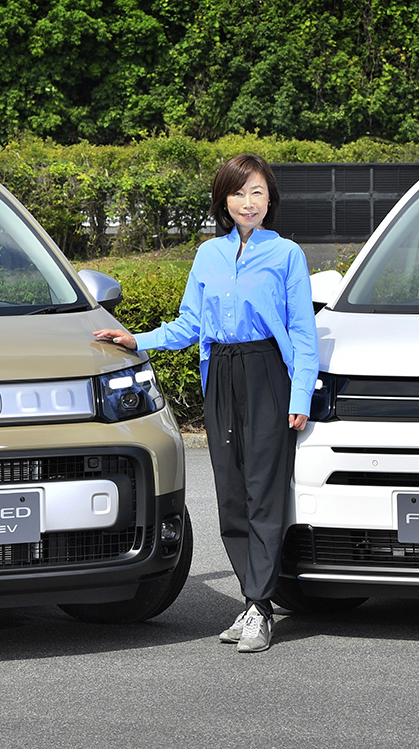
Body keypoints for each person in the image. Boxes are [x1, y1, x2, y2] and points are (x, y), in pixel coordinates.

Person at [93, 153, 317, 653]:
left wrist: (299, 394)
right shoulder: (208, 255)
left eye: (257, 191)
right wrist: (137, 340)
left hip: (266, 375)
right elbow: (189, 325)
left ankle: (260, 605)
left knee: (263, 491)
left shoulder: (287, 256)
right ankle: (252, 598)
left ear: (270, 199)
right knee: (231, 493)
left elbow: (303, 334)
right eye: (238, 192)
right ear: (224, 200)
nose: (248, 202)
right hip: (221, 375)